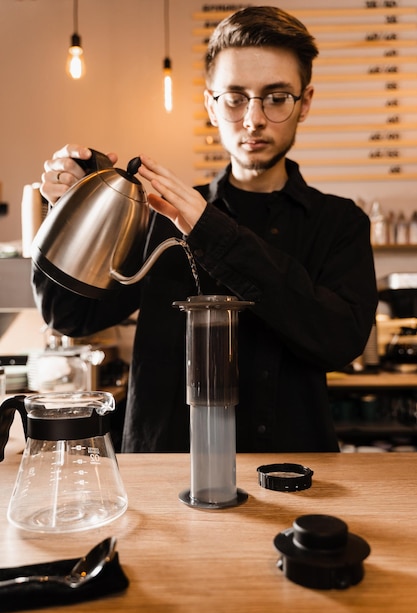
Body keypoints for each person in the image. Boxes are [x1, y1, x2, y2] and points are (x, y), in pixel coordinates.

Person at [34, 6, 378, 453]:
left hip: (293, 472)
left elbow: (340, 341)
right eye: (235, 97)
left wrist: (209, 230)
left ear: (305, 102)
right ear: (211, 105)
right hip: (164, 471)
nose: (253, 119)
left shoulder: (340, 222)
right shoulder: (159, 211)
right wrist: (68, 211)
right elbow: (70, 316)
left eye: (276, 97)